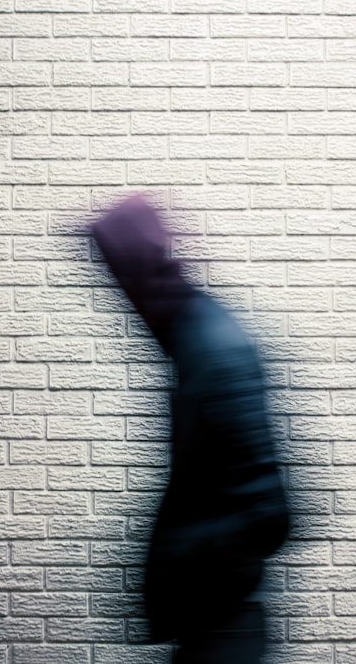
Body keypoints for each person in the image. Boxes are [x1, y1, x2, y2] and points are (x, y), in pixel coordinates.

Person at [92, 195, 289, 663]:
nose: (118, 295)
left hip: (222, 631)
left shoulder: (213, 351)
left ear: (140, 271)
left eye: (119, 277)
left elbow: (272, 514)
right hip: (211, 625)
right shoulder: (192, 340)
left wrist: (181, 558)